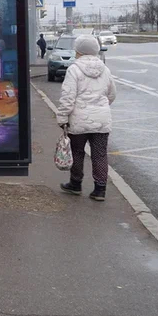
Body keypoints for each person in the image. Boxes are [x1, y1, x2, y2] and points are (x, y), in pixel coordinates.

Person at [56, 34, 116, 201]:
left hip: (79, 119)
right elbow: (112, 94)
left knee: (77, 152)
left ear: (79, 51)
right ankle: (100, 190)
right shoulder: (105, 69)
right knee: (100, 154)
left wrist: (62, 118)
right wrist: (101, 107)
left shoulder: (74, 70)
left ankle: (75, 184)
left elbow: (68, 97)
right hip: (102, 120)